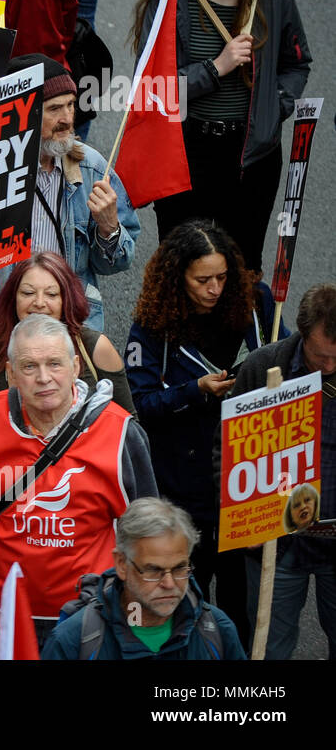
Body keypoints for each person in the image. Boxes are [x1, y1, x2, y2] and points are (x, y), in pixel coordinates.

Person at [0, 315, 158, 659]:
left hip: (89, 617)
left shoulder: (122, 434)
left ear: (75, 366)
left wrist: (142, 611)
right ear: (9, 373)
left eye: (54, 363)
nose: (43, 378)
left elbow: (149, 534)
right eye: (29, 366)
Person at [126, 219, 285, 639]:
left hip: (242, 468)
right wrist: (195, 390)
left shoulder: (254, 301)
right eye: (203, 280)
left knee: (240, 593)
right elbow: (141, 403)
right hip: (182, 472)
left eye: (221, 277)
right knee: (184, 585)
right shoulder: (153, 322)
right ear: (178, 278)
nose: (214, 288)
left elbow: (287, 357)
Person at [133, 0, 311, 273]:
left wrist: (276, 106)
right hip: (184, 150)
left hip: (251, 158)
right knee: (182, 262)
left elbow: (296, 63)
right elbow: (153, 88)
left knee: (242, 263)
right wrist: (217, 67)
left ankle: (236, 331)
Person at [233, 283, 336, 659]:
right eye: (320, 357)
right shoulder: (262, 367)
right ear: (302, 333)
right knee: (269, 648)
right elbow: (225, 451)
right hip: (277, 542)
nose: (330, 368)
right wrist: (244, 520)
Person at [7, 54, 139, 330]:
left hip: (71, 323)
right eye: (54, 109)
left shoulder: (91, 166)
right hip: (4, 320)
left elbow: (118, 262)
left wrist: (109, 229)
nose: (67, 119)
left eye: (70, 105)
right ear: (24, 114)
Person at [41, 498, 246, 660]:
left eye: (179, 568)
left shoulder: (217, 630)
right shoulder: (73, 641)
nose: (169, 584)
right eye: (153, 571)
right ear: (122, 564)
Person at [0, 253, 134, 415]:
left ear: (66, 300)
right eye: (28, 293)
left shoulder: (95, 347)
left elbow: (128, 423)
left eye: (51, 294)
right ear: (13, 298)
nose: (39, 303)